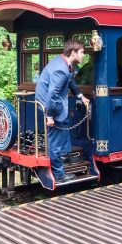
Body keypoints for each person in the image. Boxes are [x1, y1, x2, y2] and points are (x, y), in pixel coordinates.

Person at [34, 39, 90, 183]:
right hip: (50, 104)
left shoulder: (63, 62)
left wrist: (81, 96)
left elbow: (71, 81)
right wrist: (49, 115)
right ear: (73, 53)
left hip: (57, 103)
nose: (84, 55)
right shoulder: (61, 69)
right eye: (82, 52)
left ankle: (64, 159)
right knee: (55, 141)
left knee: (64, 131)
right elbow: (53, 94)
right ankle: (59, 175)